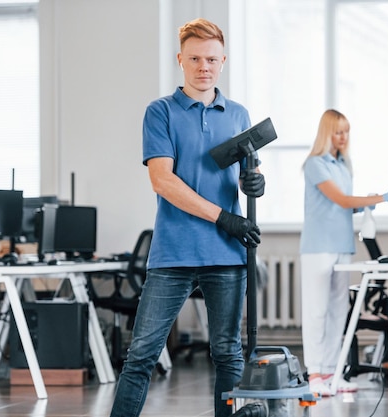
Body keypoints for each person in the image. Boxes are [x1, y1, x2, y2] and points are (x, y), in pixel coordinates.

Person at [110, 18, 264, 417]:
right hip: (174, 252)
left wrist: (256, 182)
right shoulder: (160, 112)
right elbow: (163, 181)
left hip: (227, 255)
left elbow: (242, 174)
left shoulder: (238, 114)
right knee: (142, 353)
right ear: (181, 59)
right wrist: (223, 218)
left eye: (212, 59)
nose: (204, 67)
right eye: (194, 58)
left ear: (224, 60)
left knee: (229, 354)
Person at [300, 109, 388, 397]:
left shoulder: (343, 165)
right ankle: (314, 373)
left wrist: (364, 205)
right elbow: (339, 199)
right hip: (318, 247)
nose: (343, 137)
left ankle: (332, 371)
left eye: (346, 131)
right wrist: (382, 197)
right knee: (317, 311)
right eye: (338, 131)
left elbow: (344, 205)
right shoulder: (315, 164)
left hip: (342, 245)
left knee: (338, 312)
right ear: (326, 133)